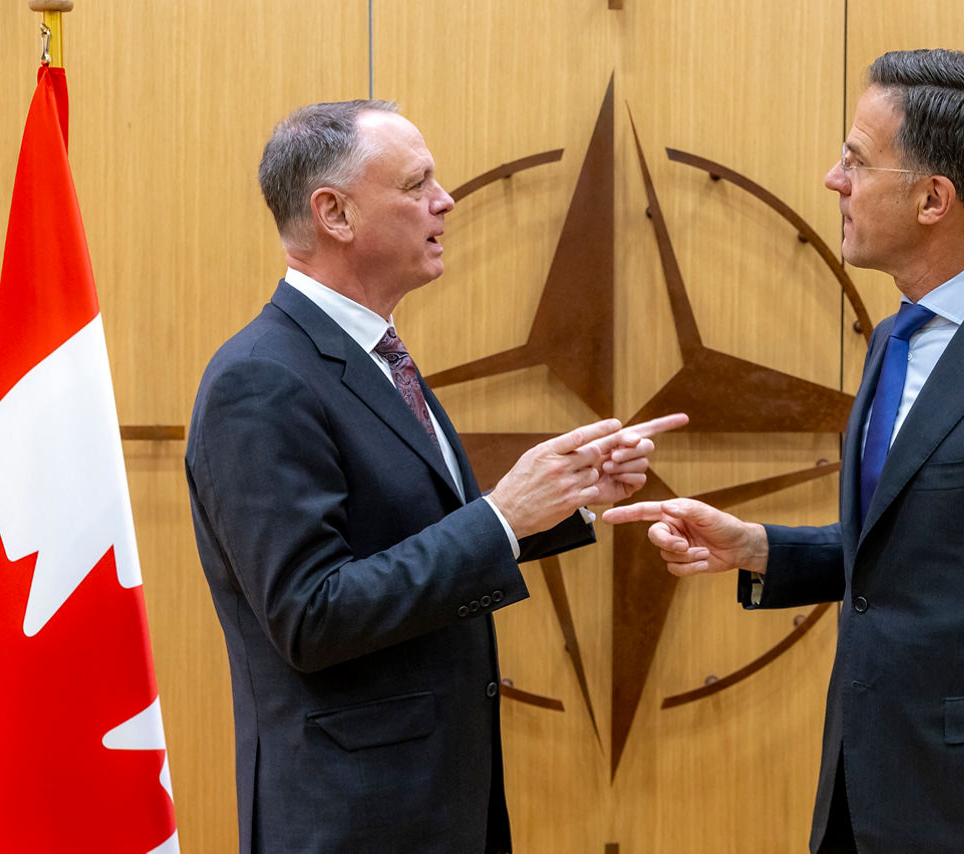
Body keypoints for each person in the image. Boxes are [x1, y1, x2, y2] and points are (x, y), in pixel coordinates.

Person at [604, 49, 964, 854]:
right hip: (865, 796)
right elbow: (922, 552)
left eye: (855, 159)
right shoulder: (892, 338)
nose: (832, 179)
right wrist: (755, 548)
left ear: (932, 198)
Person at [186, 99, 685, 854]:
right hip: (349, 818)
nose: (444, 201)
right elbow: (309, 616)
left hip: (436, 803)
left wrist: (563, 499)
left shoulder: (376, 354)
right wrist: (501, 519)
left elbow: (406, 537)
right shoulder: (261, 380)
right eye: (418, 183)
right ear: (336, 214)